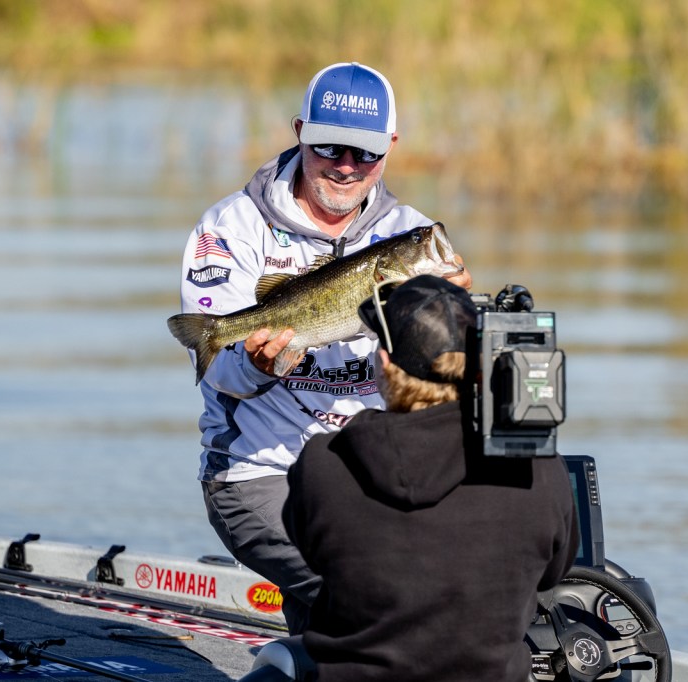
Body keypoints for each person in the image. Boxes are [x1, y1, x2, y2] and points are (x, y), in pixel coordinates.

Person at [175, 62, 471, 635]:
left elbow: (439, 383)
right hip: (260, 473)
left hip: (373, 470)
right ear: (300, 133)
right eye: (329, 147)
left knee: (446, 576)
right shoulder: (231, 228)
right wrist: (256, 363)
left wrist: (451, 320)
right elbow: (220, 377)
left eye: (366, 153)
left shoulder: (408, 231)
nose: (346, 166)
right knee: (363, 592)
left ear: (390, 146)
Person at [283, 275, 579, 682]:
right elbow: (553, 574)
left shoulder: (323, 464)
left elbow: (311, 552)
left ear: (385, 364)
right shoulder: (539, 469)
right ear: (483, 362)